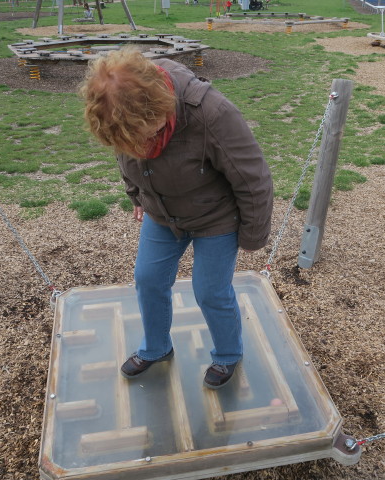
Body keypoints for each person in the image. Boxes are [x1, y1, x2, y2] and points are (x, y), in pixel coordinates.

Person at [81, 48, 273, 390]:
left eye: (145, 135)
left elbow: (252, 177)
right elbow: (124, 155)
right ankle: (156, 347)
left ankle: (228, 353)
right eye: (130, 140)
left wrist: (253, 236)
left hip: (215, 216)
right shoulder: (122, 118)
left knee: (210, 291)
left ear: (161, 107)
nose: (138, 146)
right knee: (148, 279)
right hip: (162, 213)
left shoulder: (211, 113)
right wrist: (136, 194)